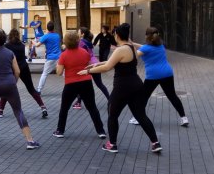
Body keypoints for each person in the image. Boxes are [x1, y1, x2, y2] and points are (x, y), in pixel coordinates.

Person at [79, 23, 162, 154]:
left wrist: (89, 72)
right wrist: (94, 65)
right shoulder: (131, 47)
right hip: (136, 85)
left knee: (112, 114)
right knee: (140, 115)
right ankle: (155, 142)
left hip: (122, 88)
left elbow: (108, 67)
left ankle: (112, 144)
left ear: (117, 35)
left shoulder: (120, 50)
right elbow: (111, 62)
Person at [0, 28, 40, 150]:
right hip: (9, 84)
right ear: (4, 39)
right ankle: (30, 140)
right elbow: (17, 71)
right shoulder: (10, 53)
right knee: (18, 111)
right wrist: (14, 81)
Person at [128, 27, 190, 127]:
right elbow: (144, 47)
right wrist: (132, 43)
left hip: (153, 76)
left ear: (147, 36)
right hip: (167, 73)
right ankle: (184, 118)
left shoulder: (146, 48)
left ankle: (137, 118)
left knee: (143, 97)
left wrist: (127, 48)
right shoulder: (160, 46)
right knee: (172, 96)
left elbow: (134, 56)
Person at [54, 31, 106, 139]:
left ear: (66, 41)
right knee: (92, 107)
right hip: (86, 82)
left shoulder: (63, 55)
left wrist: (58, 65)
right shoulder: (84, 52)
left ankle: (60, 131)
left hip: (71, 84)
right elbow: (88, 67)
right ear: (78, 40)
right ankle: (101, 131)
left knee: (64, 108)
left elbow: (59, 73)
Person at [0, 28, 48, 118]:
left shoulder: (7, 46)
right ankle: (43, 107)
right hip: (24, 67)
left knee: (7, 90)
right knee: (31, 88)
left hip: (12, 69)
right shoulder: (21, 45)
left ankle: (1, 110)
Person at [72, 27, 111, 109]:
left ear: (82, 34)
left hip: (88, 65)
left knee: (80, 84)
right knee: (99, 84)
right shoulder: (88, 42)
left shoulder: (81, 42)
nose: (77, 33)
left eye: (78, 32)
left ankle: (78, 103)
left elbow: (79, 54)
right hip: (95, 63)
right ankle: (110, 100)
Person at [35, 21, 62, 94]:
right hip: (59, 57)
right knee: (64, 73)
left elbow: (37, 45)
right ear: (54, 28)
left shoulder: (46, 36)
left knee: (44, 74)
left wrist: (33, 42)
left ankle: (39, 90)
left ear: (47, 28)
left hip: (50, 58)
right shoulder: (57, 35)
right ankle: (73, 88)